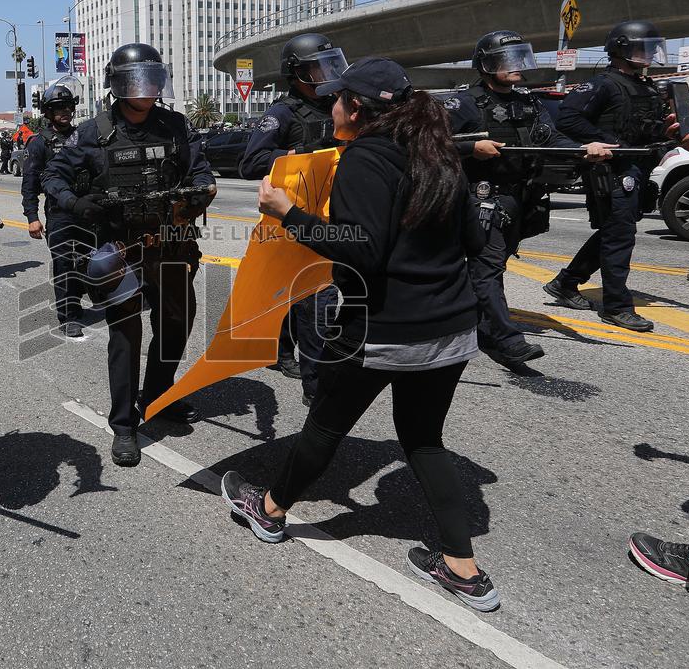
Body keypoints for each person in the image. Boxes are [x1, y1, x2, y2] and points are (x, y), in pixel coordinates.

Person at [220, 57, 501, 612]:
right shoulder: (439, 152)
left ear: (357, 109)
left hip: (383, 329)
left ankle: (270, 511)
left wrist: (288, 212)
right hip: (451, 328)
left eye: (338, 99)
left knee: (325, 426)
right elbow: (473, 239)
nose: (331, 107)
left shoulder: (364, 161)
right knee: (423, 438)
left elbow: (360, 251)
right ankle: (463, 570)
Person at [43, 43, 216, 467]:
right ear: (118, 85)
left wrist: (203, 188)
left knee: (177, 326)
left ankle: (157, 394)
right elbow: (54, 174)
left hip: (171, 244)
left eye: (154, 79)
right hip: (119, 247)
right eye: (138, 80)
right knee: (125, 337)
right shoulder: (93, 132)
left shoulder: (175, 125)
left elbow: (200, 168)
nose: (148, 88)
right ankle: (123, 425)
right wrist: (74, 202)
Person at [446, 30, 614, 368]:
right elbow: (430, 142)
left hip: (519, 199)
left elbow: (551, 138)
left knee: (491, 266)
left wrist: (584, 150)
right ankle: (506, 340)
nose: (516, 66)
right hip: (480, 198)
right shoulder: (463, 103)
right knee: (488, 269)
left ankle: (468, 320)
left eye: (519, 58)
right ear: (487, 65)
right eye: (507, 60)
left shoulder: (529, 101)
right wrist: (469, 148)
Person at [238, 33, 348, 405]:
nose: (327, 73)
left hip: (333, 216)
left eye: (330, 64)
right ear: (297, 73)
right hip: (291, 220)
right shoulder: (281, 114)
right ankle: (316, 388)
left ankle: (283, 351)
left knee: (302, 298)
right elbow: (250, 163)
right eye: (318, 67)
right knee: (315, 300)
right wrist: (299, 152)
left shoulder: (342, 104)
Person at [546, 20, 670, 333]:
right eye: (642, 48)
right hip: (611, 170)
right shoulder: (602, 84)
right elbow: (568, 119)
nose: (649, 54)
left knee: (614, 232)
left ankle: (566, 282)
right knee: (620, 238)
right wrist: (606, 141)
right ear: (622, 48)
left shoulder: (647, 86)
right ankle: (617, 307)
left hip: (637, 168)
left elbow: (645, 127)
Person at [22, 77, 87, 338]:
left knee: (85, 262)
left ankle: (77, 301)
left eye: (68, 107)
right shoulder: (39, 143)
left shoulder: (84, 137)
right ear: (48, 112)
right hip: (59, 214)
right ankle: (68, 315)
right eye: (58, 108)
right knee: (64, 264)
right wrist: (32, 217)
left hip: (85, 209)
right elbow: (29, 183)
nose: (65, 112)